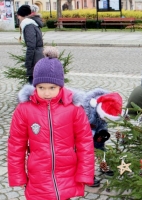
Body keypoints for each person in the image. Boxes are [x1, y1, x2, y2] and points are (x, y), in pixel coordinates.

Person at [7, 46, 95, 199]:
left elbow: (85, 142)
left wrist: (85, 174)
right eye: (41, 87)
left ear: (60, 86)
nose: (46, 92)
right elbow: (16, 145)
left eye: (52, 88)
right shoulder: (24, 109)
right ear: (35, 86)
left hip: (67, 174)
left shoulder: (74, 108)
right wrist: (18, 176)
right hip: (38, 177)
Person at [83, 88, 124, 186]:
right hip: (83, 134)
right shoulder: (86, 110)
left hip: (95, 131)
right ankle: (86, 176)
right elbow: (81, 127)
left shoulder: (103, 109)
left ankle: (103, 165)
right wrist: (91, 136)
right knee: (86, 154)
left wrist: (102, 132)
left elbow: (103, 122)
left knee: (100, 147)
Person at [17, 5, 44, 84]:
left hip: (35, 57)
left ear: (21, 15)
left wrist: (28, 63)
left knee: (33, 82)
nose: (18, 18)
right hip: (38, 55)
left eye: (18, 15)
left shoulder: (28, 25)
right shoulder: (32, 23)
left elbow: (31, 45)